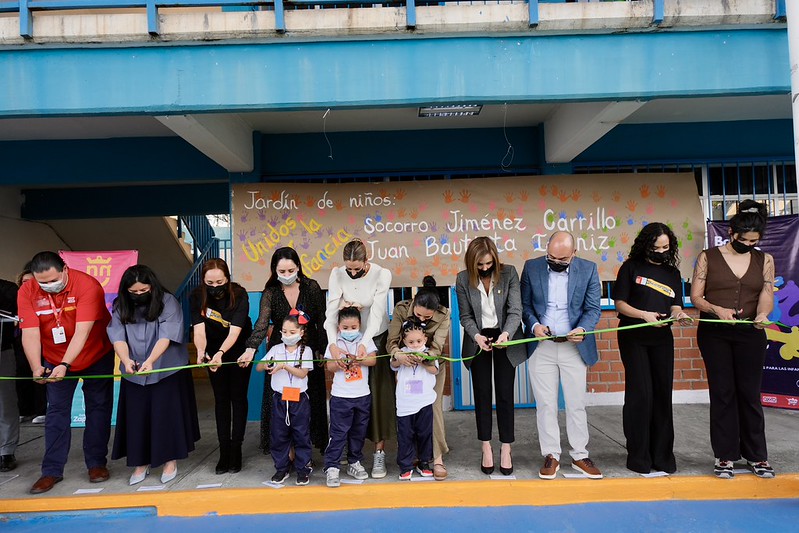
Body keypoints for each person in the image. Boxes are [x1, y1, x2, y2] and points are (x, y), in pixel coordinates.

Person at [690, 200, 776, 479]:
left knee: (749, 393)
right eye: (744, 240)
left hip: (751, 332)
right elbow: (696, 297)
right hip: (715, 332)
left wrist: (762, 314)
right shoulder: (707, 257)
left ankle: (757, 456)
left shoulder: (765, 260)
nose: (749, 245)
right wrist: (717, 309)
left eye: (754, 241)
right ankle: (725, 456)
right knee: (723, 392)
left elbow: (766, 294)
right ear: (731, 233)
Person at [17, 251, 114, 494]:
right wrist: (36, 366)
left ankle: (96, 463)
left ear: (65, 270)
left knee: (98, 408)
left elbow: (83, 332)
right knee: (56, 412)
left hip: (95, 354)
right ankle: (51, 470)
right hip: (54, 358)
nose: (48, 286)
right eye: (42, 282)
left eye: (53, 280)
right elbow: (30, 333)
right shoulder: (27, 291)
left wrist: (66, 364)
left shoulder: (87, 285)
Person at [520, 231, 603, 480]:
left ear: (574, 254)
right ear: (546, 249)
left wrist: (583, 329)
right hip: (542, 344)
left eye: (562, 259)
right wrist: (534, 325)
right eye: (551, 257)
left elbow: (593, 308)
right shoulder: (532, 267)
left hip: (574, 346)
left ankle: (579, 455)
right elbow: (524, 305)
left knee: (576, 403)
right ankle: (551, 454)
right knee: (545, 404)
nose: (556, 262)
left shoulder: (588, 269)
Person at [108, 265, 200, 485]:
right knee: (136, 416)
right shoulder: (121, 305)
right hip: (133, 369)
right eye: (134, 292)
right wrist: (125, 360)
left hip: (165, 367)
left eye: (143, 290)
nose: (139, 295)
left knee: (165, 414)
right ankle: (140, 462)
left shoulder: (168, 301)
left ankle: (170, 460)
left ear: (152, 286)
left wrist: (151, 361)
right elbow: (118, 336)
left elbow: (166, 336)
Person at [613, 223, 692, 474]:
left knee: (661, 394)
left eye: (665, 247)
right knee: (641, 394)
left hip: (662, 338)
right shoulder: (630, 267)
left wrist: (679, 315)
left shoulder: (672, 272)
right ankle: (639, 456)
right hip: (633, 335)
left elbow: (676, 306)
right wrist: (644, 315)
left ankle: (662, 456)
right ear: (646, 245)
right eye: (656, 248)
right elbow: (620, 304)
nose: (661, 252)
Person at [239, 247, 328, 456]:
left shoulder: (312, 287)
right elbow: (262, 324)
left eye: (291, 270)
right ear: (274, 270)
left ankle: (306, 450)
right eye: (282, 271)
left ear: (298, 267)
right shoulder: (270, 292)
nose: (287, 275)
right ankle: (287, 451)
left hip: (308, 349)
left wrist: (322, 349)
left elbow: (322, 319)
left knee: (310, 398)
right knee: (280, 399)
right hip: (280, 348)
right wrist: (251, 349)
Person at [455, 236, 525, 476]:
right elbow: (465, 316)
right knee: (482, 392)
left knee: (505, 392)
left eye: (488, 263)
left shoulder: (509, 273)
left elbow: (515, 310)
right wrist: (477, 337)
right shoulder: (462, 279)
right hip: (478, 337)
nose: (485, 268)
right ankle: (486, 446)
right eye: (480, 265)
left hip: (506, 334)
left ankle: (506, 447)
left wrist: (506, 334)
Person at [324, 239, 393, 478]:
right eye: (349, 268)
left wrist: (364, 344)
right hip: (344, 338)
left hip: (374, 338)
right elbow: (331, 313)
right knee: (347, 397)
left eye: (357, 268)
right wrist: (333, 344)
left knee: (377, 395)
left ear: (367, 259)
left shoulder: (382, 274)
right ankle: (346, 450)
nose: (352, 273)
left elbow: (377, 314)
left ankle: (378, 452)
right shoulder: (337, 274)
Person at [190, 258, 252, 474]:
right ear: (203, 281)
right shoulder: (196, 296)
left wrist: (221, 353)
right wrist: (201, 351)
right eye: (210, 283)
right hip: (212, 349)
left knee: (238, 397)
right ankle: (224, 450)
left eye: (220, 282)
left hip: (238, 350)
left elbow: (235, 332)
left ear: (227, 278)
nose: (215, 287)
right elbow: (199, 331)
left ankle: (236, 449)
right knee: (221, 399)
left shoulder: (239, 294)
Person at [387, 275, 451, 480]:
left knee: (433, 409)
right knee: (408, 413)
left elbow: (437, 347)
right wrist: (399, 355)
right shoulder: (400, 309)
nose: (422, 320)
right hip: (405, 366)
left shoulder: (444, 314)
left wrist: (424, 358)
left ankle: (437, 458)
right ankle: (414, 457)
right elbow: (391, 341)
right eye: (418, 315)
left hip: (431, 365)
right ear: (413, 303)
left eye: (427, 317)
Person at [323, 306, 377, 488]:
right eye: (345, 328)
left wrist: (358, 359)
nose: (349, 331)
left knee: (358, 432)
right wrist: (340, 363)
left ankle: (355, 462)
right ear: (338, 326)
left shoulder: (365, 340)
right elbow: (329, 366)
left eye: (353, 327)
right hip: (341, 396)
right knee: (338, 433)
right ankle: (332, 466)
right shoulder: (334, 342)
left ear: (360, 325)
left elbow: (373, 360)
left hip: (362, 396)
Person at [257, 312, 314, 486]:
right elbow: (259, 367)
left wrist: (284, 366)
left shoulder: (306, 350)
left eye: (292, 332)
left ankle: (303, 468)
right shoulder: (276, 349)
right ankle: (281, 468)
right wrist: (267, 364)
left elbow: (302, 373)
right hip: (279, 399)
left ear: (301, 332)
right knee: (279, 435)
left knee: (301, 434)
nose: (287, 335)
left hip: (299, 399)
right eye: (284, 331)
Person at [391, 317, 439, 480]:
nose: (415, 345)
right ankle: (406, 465)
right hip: (405, 403)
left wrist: (424, 361)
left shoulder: (429, 353)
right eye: (411, 342)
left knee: (425, 433)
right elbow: (393, 365)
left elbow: (435, 370)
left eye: (419, 341)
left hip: (424, 402)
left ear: (425, 339)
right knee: (405, 435)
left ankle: (424, 462)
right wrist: (401, 359)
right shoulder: (401, 353)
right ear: (404, 341)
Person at [14, 265, 47, 425]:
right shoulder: (17, 297)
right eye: (24, 281)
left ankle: (42, 410)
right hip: (20, 340)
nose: (26, 284)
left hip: (41, 339)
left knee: (39, 374)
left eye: (30, 281)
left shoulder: (43, 297)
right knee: (22, 375)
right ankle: (25, 410)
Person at [0, 278, 19, 472]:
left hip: (2, 350)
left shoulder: (7, 289)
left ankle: (6, 450)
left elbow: (15, 312)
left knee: (5, 402)